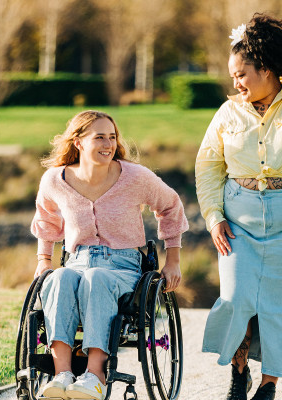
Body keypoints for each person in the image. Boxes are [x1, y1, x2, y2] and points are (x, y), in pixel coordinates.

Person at [196, 14, 282, 400]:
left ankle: (269, 385)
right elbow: (208, 167)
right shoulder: (227, 113)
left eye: (242, 74)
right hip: (239, 218)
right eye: (233, 76)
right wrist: (212, 218)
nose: (236, 83)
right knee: (237, 297)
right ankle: (238, 372)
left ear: (268, 69)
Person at [31, 110, 189, 400]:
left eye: (112, 137)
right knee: (58, 279)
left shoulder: (135, 177)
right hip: (75, 261)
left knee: (97, 277)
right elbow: (47, 220)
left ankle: (95, 375)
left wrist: (173, 260)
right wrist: (44, 261)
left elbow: (171, 206)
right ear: (78, 142)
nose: (109, 143)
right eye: (99, 137)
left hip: (123, 266)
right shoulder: (55, 179)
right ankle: (62, 373)